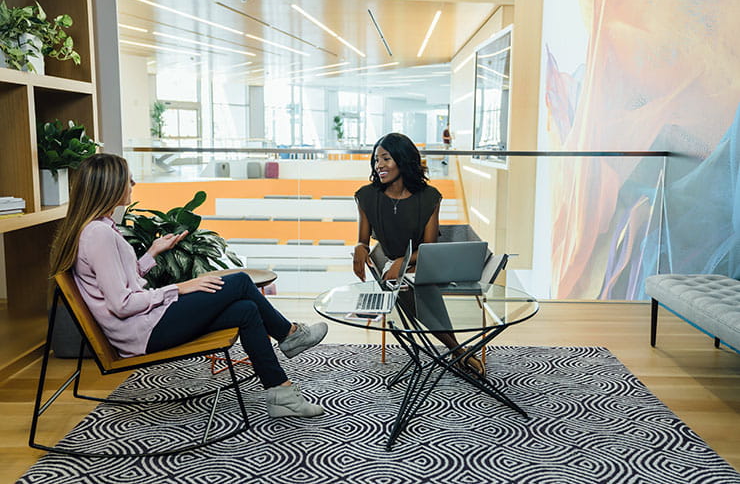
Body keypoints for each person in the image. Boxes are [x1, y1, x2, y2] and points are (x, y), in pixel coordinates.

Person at [49, 153, 328, 418]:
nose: (133, 184)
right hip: (142, 331)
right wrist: (179, 288)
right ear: (109, 187)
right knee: (241, 281)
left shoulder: (99, 229)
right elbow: (121, 304)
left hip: (144, 324)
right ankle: (290, 335)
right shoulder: (99, 235)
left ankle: (282, 394)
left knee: (246, 310)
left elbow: (119, 282)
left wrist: (152, 253)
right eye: (127, 179)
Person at [352, 133, 485, 377]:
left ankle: (456, 351)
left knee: (416, 284)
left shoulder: (430, 197)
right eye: (375, 159)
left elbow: (428, 249)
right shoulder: (366, 196)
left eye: (386, 158)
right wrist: (359, 247)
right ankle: (458, 351)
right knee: (409, 285)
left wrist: (404, 262)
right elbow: (363, 239)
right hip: (388, 263)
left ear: (403, 160)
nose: (378, 165)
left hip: (417, 262)